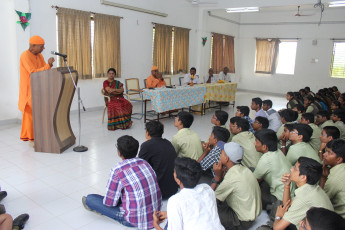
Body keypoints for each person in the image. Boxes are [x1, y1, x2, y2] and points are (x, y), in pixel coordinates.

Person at [83, 135, 162, 229]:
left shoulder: (117, 170)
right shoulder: (144, 163)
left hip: (132, 220)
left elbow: (109, 202)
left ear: (119, 153)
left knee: (91, 199)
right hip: (155, 214)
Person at [152, 157, 224, 230]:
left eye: (174, 172)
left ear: (178, 181)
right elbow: (196, 208)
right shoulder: (207, 188)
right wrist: (170, 214)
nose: (173, 173)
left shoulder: (175, 201)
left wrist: (156, 225)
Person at [272, 157, 333, 230]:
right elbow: (287, 205)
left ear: (303, 177)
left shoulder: (304, 198)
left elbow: (277, 228)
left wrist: (278, 216)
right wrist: (286, 185)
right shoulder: (313, 187)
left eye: (295, 168)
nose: (291, 169)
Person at [211, 142, 262, 230]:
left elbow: (210, 198)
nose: (220, 155)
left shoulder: (231, 178)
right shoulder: (245, 169)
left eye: (222, 153)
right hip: (252, 214)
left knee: (210, 210)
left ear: (226, 158)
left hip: (242, 222)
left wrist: (217, 177)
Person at [18, 35, 55, 146]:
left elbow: (44, 69)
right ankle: (31, 139)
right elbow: (33, 72)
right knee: (30, 114)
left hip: (39, 89)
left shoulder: (39, 56)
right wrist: (48, 65)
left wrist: (49, 65)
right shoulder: (25, 55)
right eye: (41, 47)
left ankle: (38, 135)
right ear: (33, 46)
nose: (43, 49)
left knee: (38, 113)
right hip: (28, 90)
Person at [253, 129, 292, 212]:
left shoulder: (266, 158)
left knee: (251, 190)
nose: (254, 144)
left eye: (256, 141)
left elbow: (254, 180)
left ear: (264, 147)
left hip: (280, 198)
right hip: (289, 193)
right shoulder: (278, 151)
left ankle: (271, 207)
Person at [138, 121, 178, 199]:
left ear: (147, 133)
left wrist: (146, 143)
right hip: (173, 188)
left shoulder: (146, 146)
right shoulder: (168, 143)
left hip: (158, 192)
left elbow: (140, 166)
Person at [320, 139, 345, 218]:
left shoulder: (334, 178)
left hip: (339, 218)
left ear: (339, 160)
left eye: (329, 153)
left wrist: (323, 179)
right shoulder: (341, 168)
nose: (324, 154)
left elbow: (321, 200)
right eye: (326, 151)